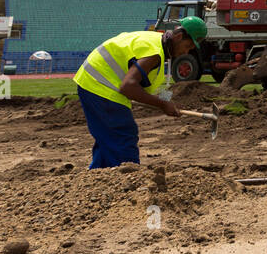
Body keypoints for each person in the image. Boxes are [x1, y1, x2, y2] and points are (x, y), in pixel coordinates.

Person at [71, 17, 208, 169]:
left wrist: (169, 101)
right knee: (123, 132)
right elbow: (128, 87)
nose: (186, 52)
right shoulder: (154, 53)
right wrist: (163, 104)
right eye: (187, 46)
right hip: (101, 85)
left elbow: (150, 86)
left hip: (93, 82)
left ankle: (97, 177)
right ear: (179, 37)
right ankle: (128, 178)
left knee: (108, 137)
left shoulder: (158, 44)